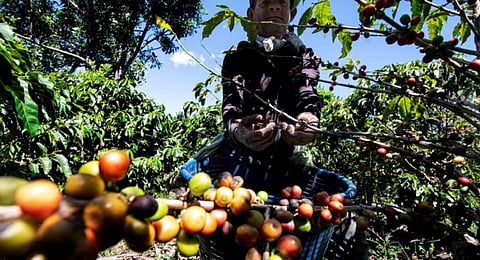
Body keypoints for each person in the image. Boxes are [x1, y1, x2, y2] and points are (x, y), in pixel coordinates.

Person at [182, 0, 366, 259]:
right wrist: (239, 132)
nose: (275, 8)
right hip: (238, 165)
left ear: (292, 13)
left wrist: (307, 120)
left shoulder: (305, 56)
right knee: (232, 237)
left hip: (284, 163)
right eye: (266, 2)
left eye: (282, 2)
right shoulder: (237, 55)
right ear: (251, 13)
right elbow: (231, 107)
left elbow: (308, 97)